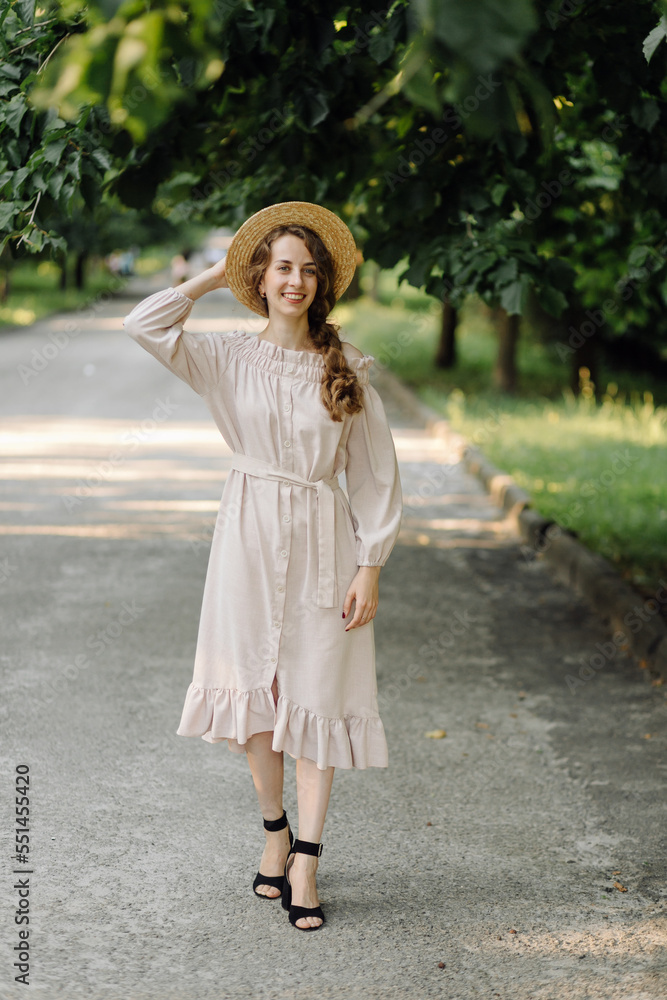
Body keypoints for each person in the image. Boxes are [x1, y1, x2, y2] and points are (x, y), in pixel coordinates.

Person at [123, 202, 403, 931]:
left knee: (316, 692)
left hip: (322, 538)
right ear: (262, 276)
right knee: (251, 691)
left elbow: (375, 479)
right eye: (282, 267)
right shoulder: (225, 357)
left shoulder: (349, 370)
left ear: (323, 284)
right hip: (245, 536)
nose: (296, 281)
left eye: (309, 271)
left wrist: (368, 566)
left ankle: (306, 858)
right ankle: (274, 828)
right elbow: (144, 324)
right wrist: (214, 277)